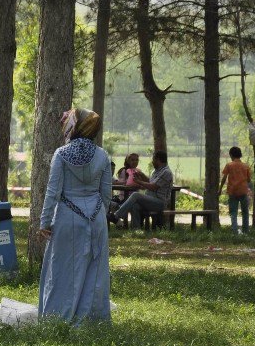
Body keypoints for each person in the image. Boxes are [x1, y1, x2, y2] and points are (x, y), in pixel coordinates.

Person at [38, 108, 112, 325]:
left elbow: (53, 192)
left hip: (67, 216)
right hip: (96, 216)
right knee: (94, 272)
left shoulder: (62, 154)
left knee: (63, 270)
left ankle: (57, 319)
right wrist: (99, 216)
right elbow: (106, 193)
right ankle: (91, 320)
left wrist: (45, 221)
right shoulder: (102, 155)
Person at [112, 150, 174, 228]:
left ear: (158, 159)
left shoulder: (166, 172)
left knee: (136, 195)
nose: (152, 162)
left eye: (153, 159)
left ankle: (116, 216)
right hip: (150, 200)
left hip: (159, 203)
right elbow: (150, 181)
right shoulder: (156, 171)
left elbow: (153, 186)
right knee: (135, 206)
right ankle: (136, 230)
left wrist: (139, 181)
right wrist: (141, 175)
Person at [220, 146, 251, 234]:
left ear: (231, 155)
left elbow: (224, 178)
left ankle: (234, 231)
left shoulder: (229, 165)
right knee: (245, 212)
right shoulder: (246, 166)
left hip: (232, 192)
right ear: (240, 155)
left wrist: (220, 190)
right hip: (243, 191)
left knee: (233, 212)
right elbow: (249, 180)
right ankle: (246, 231)